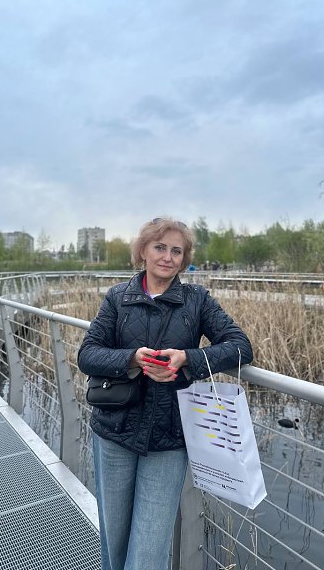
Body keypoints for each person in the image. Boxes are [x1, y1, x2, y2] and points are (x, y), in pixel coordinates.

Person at [78, 217, 253, 570]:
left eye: (177, 251)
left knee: (148, 551)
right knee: (114, 540)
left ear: (184, 259)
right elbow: (88, 354)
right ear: (143, 250)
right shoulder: (118, 298)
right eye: (160, 247)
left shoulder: (197, 300)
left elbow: (240, 346)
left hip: (169, 437)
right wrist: (132, 359)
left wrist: (187, 358)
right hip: (115, 431)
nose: (168, 257)